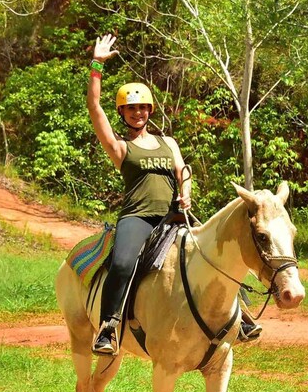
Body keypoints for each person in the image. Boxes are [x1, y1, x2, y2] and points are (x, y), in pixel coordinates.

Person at [87, 33, 260, 355]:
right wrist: (96, 65)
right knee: (123, 264)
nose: (137, 113)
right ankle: (108, 327)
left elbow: (183, 171)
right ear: (123, 113)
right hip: (138, 217)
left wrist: (186, 193)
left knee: (214, 256)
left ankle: (242, 318)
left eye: (142, 107)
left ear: (150, 110)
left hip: (173, 216)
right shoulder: (121, 147)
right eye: (130, 109)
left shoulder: (169, 143)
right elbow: (94, 106)